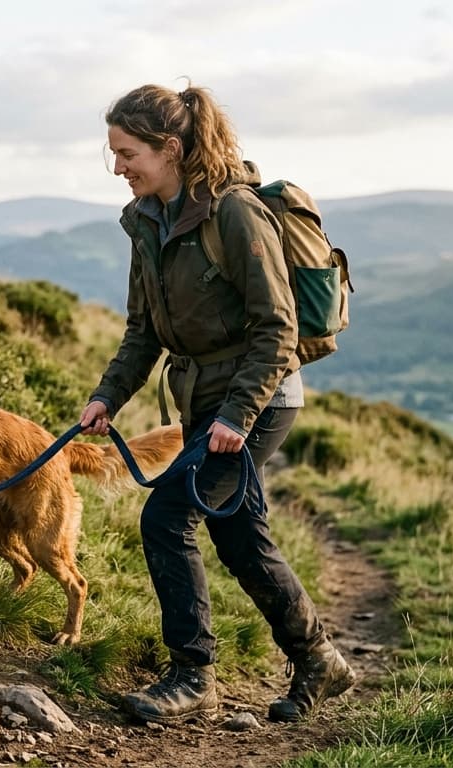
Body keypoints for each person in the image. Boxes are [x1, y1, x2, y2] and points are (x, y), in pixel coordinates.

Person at [79, 82, 354, 724]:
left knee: (166, 519)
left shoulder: (236, 213)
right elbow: (143, 329)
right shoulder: (146, 220)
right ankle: (319, 660)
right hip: (203, 400)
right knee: (237, 536)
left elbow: (277, 329)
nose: (118, 166)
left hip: (259, 398)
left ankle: (192, 674)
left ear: (169, 148)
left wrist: (237, 417)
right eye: (112, 154)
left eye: (127, 153)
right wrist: (107, 397)